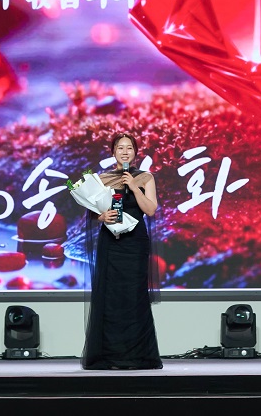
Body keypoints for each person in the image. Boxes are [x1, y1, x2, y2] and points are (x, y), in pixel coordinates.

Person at [82, 132, 162, 369]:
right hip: (111, 243)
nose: (125, 152)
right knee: (110, 297)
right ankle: (109, 356)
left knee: (134, 297)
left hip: (135, 243)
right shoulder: (103, 179)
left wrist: (135, 188)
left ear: (135, 152)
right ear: (113, 152)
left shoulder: (145, 178)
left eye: (129, 148)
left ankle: (136, 356)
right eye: (120, 148)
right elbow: (92, 212)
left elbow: (151, 210)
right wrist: (101, 216)